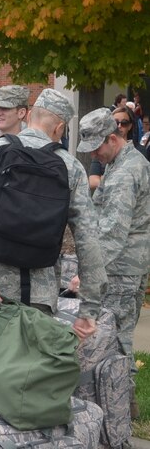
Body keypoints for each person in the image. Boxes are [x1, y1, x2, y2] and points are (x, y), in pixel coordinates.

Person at [0, 89, 105, 339]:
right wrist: (89, 308)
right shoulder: (71, 167)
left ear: (29, 115)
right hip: (39, 298)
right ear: (60, 127)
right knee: (27, 374)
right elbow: (88, 241)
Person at [75, 107, 150, 418]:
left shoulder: (124, 172)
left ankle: (120, 407)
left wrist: (89, 274)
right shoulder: (122, 162)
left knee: (116, 339)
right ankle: (121, 404)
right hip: (127, 263)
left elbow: (112, 234)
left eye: (96, 146)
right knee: (118, 336)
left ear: (112, 138)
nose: (93, 154)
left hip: (120, 266)